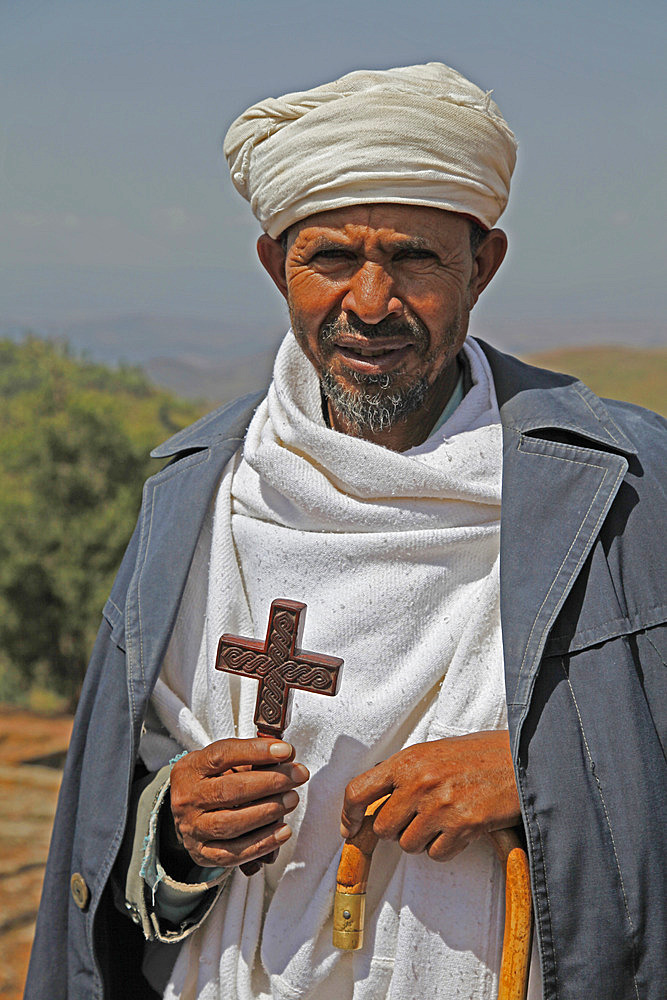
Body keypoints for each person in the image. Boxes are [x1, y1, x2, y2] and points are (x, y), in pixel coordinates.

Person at [26, 63, 665, 1000]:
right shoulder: (198, 494)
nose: (370, 302)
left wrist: (535, 780)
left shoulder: (622, 487)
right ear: (273, 264)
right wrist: (176, 829)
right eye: (330, 258)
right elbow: (115, 814)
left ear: (481, 266)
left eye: (413, 258)